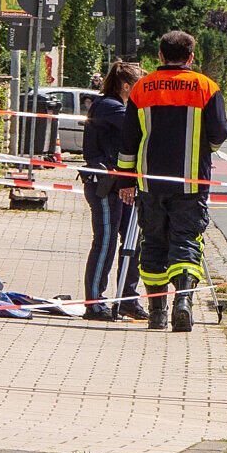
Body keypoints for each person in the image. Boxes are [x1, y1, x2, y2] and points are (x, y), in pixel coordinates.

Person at [119, 31, 227, 332]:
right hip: (191, 183)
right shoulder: (205, 87)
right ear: (191, 57)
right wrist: (207, 151)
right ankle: (184, 302)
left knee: (153, 242)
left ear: (160, 56)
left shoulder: (142, 88)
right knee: (185, 241)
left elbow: (128, 139)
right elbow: (220, 132)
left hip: (150, 182)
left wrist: (126, 181)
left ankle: (157, 311)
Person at [82, 61, 149, 323]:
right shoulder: (110, 107)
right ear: (125, 86)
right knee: (106, 241)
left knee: (134, 241)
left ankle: (127, 299)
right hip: (105, 186)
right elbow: (138, 130)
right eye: (138, 86)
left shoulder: (116, 106)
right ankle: (95, 302)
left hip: (121, 185)